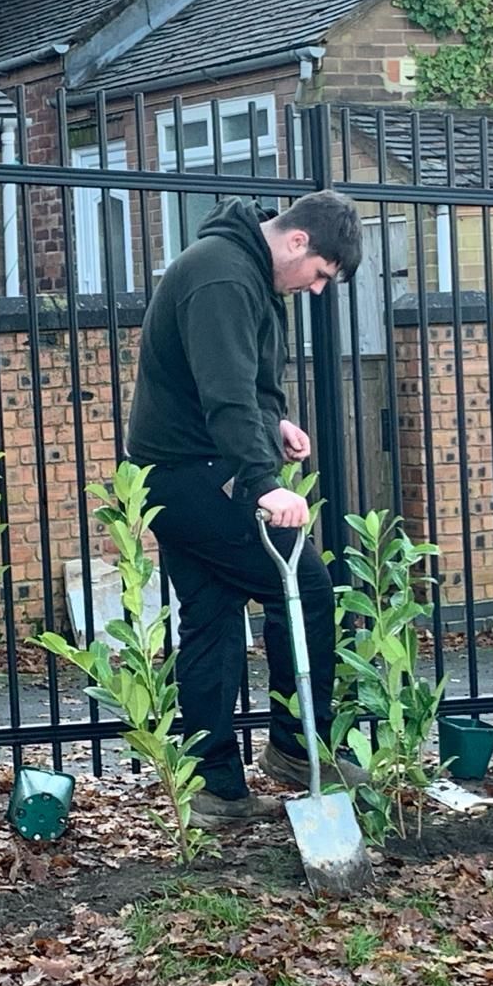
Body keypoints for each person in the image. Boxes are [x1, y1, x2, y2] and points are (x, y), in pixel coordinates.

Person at [125, 190, 365, 829]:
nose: (316, 290)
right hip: (195, 478)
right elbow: (224, 391)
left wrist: (274, 423)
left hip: (181, 474)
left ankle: (215, 789)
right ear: (296, 242)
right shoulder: (223, 276)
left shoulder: (238, 270)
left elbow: (240, 384)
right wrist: (263, 481)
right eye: (319, 275)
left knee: (211, 619)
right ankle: (294, 746)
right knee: (306, 590)